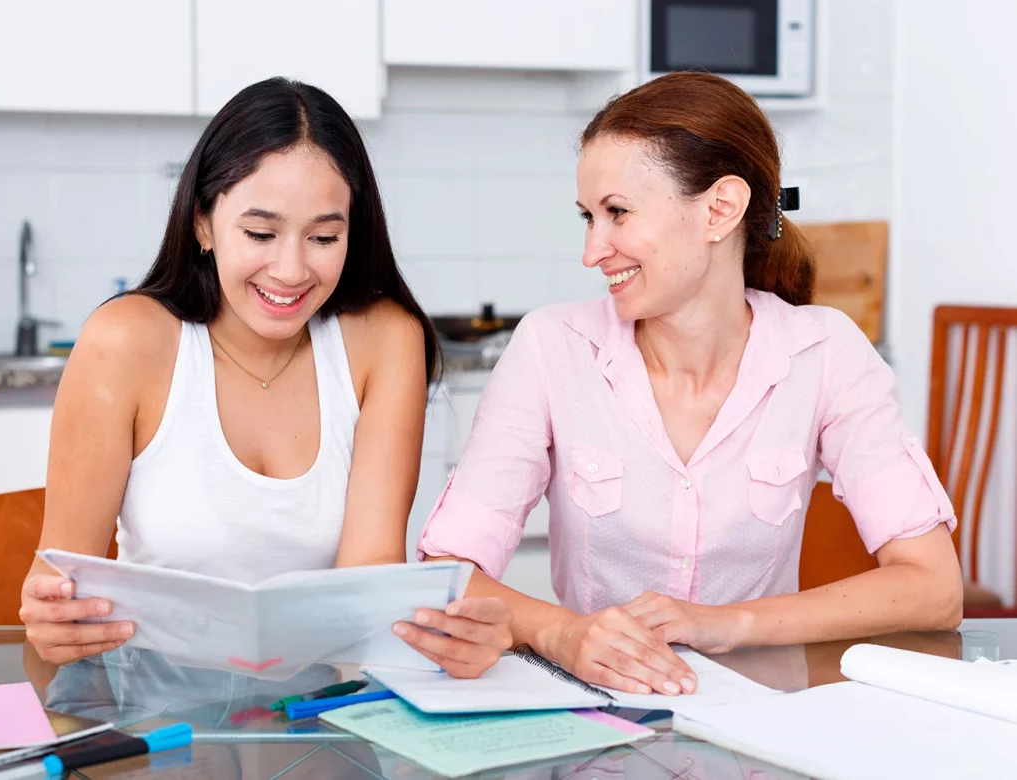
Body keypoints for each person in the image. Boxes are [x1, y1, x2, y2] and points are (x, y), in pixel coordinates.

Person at [410, 72, 962, 698]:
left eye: (617, 213)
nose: (593, 250)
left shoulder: (825, 352)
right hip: (600, 718)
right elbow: (449, 572)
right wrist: (563, 633)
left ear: (720, 209)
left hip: (763, 717)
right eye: (588, 218)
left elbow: (934, 587)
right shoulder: (550, 348)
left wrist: (723, 625)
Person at [19, 77, 512, 674]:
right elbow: (61, 577)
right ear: (203, 222)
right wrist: (52, 615)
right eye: (260, 233)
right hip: (155, 712)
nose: (291, 269)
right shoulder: (126, 342)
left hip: (320, 706)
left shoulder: (385, 340)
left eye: (325, 237)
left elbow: (368, 582)